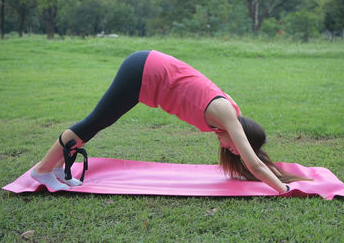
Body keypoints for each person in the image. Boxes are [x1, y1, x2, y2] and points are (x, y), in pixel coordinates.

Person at [30, 50, 310, 192]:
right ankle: (43, 170)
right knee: (94, 123)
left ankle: (54, 169)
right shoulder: (227, 114)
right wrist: (284, 190)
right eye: (239, 147)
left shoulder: (228, 116)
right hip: (144, 71)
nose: (233, 150)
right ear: (242, 137)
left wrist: (277, 175)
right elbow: (255, 163)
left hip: (147, 76)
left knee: (96, 123)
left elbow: (255, 160)